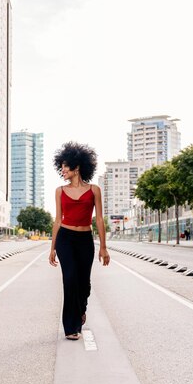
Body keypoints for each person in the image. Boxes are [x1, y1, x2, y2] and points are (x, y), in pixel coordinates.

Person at [49, 141, 110, 341]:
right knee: (70, 279)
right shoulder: (59, 191)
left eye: (66, 166)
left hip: (85, 239)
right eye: (62, 166)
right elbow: (58, 220)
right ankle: (71, 327)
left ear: (77, 167)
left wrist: (103, 247)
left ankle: (81, 309)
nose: (63, 169)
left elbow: (99, 219)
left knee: (84, 283)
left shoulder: (94, 190)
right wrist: (52, 248)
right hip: (65, 239)